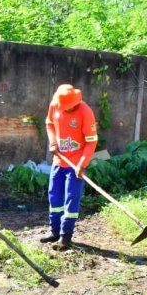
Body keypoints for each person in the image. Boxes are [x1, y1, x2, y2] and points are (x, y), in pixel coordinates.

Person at [41, 84, 98, 250]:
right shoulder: (55, 105)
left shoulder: (85, 112)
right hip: (59, 161)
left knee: (71, 199)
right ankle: (54, 232)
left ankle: (66, 237)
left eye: (69, 107)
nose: (66, 109)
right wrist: (52, 142)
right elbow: (49, 123)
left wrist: (82, 164)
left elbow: (91, 141)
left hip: (76, 165)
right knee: (54, 197)